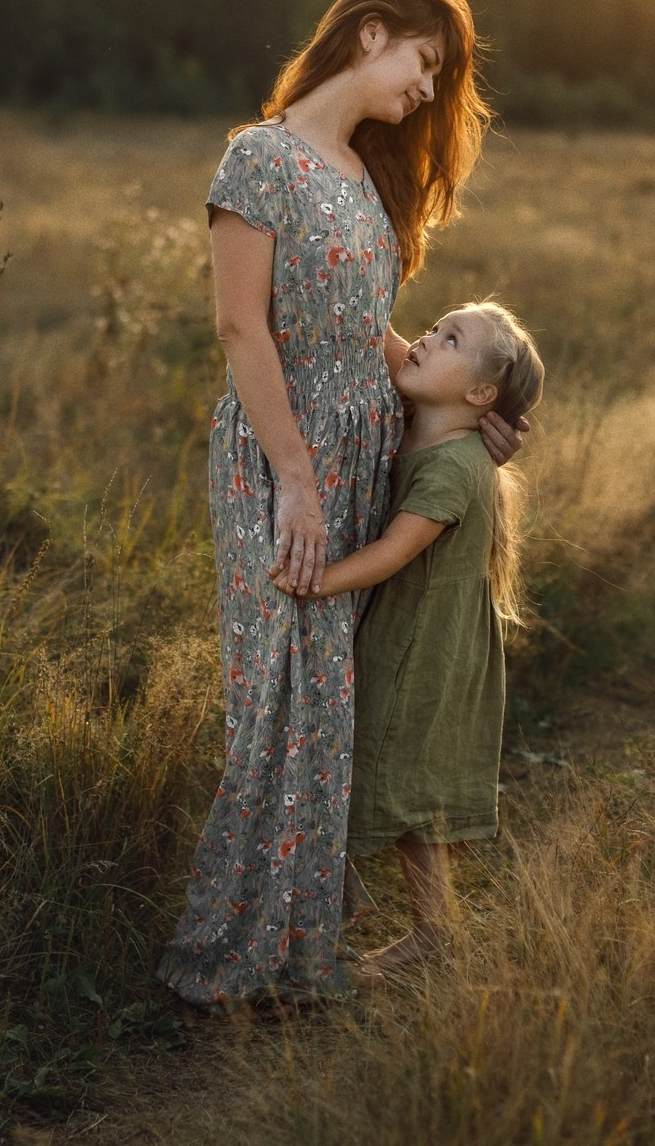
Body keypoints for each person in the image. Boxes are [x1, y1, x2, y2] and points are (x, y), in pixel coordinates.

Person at [157, 0, 519, 1009]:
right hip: (287, 456)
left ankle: (304, 947)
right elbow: (242, 329)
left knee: (334, 702)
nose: (426, 90)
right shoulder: (259, 158)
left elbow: (368, 330)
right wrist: (296, 481)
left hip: (365, 452)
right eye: (424, 62)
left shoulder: (361, 173)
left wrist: (465, 414)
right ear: (369, 34)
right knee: (280, 694)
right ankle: (246, 960)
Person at [277, 301, 544, 974]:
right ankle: (399, 917)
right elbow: (385, 334)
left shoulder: (452, 464)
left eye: (450, 339)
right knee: (399, 773)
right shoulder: (431, 431)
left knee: (402, 774)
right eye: (434, 328)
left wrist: (316, 580)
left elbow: (395, 551)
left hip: (424, 646)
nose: (426, 339)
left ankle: (424, 929)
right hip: (416, 633)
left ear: (479, 395)